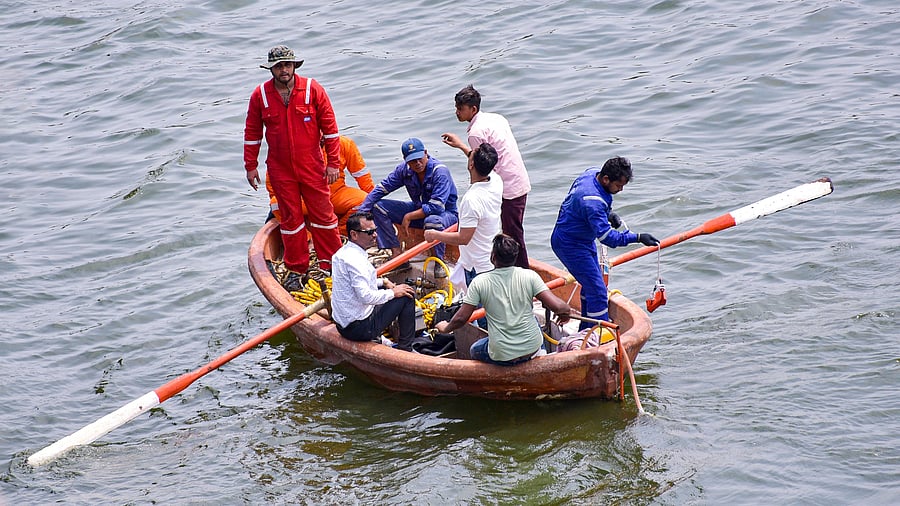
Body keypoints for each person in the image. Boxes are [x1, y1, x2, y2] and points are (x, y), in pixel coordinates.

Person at [244, 45, 343, 290]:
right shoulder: (261, 96)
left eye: (287, 64)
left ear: (294, 66)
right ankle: (296, 269)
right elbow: (253, 133)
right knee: (291, 221)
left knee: (324, 216)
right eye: (279, 66)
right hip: (280, 170)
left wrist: (333, 164)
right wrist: (250, 165)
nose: (284, 69)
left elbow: (331, 130)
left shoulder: (312, 89)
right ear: (271, 69)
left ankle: (331, 264)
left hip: (312, 166)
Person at [550, 156, 660, 330]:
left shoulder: (591, 173)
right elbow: (609, 239)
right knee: (599, 293)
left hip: (581, 239)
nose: (620, 190)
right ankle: (598, 336)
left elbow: (583, 205)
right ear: (606, 179)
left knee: (592, 287)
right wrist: (637, 237)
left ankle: (585, 330)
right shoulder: (593, 203)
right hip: (569, 245)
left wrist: (608, 215)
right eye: (618, 186)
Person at [436, 234, 572, 366]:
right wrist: (565, 315)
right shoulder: (530, 276)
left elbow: (461, 318)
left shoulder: (479, 282)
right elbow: (560, 307)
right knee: (533, 320)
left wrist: (445, 328)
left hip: (502, 354)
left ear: (493, 257)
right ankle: (539, 354)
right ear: (515, 257)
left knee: (474, 350)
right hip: (531, 347)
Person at [442, 84, 532, 269]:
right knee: (512, 231)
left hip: (507, 186)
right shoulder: (495, 118)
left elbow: (480, 167)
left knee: (512, 237)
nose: (457, 112)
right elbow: (485, 161)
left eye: (460, 109)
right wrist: (461, 146)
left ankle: (522, 276)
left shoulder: (476, 133)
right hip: (517, 178)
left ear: (473, 109)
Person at [358, 138, 458, 260]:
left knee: (432, 221)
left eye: (419, 159)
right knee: (377, 206)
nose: (417, 164)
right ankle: (396, 251)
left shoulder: (440, 172)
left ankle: (439, 260)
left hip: (444, 215)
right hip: (418, 210)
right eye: (412, 161)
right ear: (406, 161)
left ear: (426, 153)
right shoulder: (404, 170)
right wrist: (361, 212)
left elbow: (436, 207)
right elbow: (383, 188)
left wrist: (409, 216)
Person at [331, 211, 418, 351]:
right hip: (359, 330)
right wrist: (393, 293)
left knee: (391, 291)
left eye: (375, 230)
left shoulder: (341, 254)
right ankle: (406, 348)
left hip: (343, 325)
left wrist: (383, 282)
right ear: (354, 234)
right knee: (407, 295)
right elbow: (365, 296)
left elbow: (354, 285)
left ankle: (387, 337)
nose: (375, 235)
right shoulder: (356, 261)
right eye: (370, 232)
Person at [265, 134, 375, 231]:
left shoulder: (344, 143)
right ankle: (306, 237)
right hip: (305, 198)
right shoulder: (290, 148)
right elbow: (273, 178)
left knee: (366, 200)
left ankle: (340, 232)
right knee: (276, 204)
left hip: (336, 194)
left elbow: (362, 175)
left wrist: (376, 200)